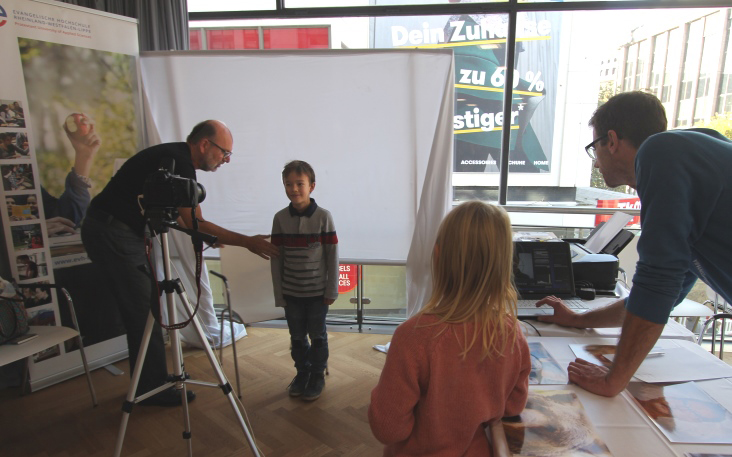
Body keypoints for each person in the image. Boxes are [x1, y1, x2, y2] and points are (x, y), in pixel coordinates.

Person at [536, 91, 732, 397]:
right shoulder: (690, 157)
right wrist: (578, 319)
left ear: (612, 141)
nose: (596, 164)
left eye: (594, 148)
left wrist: (613, 379)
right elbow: (660, 296)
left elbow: (657, 281)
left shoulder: (661, 151)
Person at [81, 119, 279, 407]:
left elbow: (188, 222)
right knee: (144, 311)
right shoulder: (179, 162)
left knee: (146, 307)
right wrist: (248, 242)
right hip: (113, 233)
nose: (226, 160)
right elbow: (196, 222)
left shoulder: (174, 159)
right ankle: (151, 389)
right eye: (224, 152)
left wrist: (209, 237)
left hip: (111, 231)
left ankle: (150, 383)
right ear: (204, 144)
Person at [368, 201, 531, 456]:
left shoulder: (413, 337)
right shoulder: (512, 333)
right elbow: (513, 405)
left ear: (437, 255)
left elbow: (389, 430)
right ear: (503, 264)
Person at [271, 160, 339, 401]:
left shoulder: (323, 217)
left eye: (300, 184)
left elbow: (332, 256)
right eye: (288, 184)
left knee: (317, 336)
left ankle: (317, 374)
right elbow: (276, 259)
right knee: (297, 337)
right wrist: (279, 293)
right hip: (291, 293)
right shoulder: (280, 218)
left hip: (317, 293)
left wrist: (331, 289)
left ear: (312, 186)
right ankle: (302, 372)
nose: (294, 189)